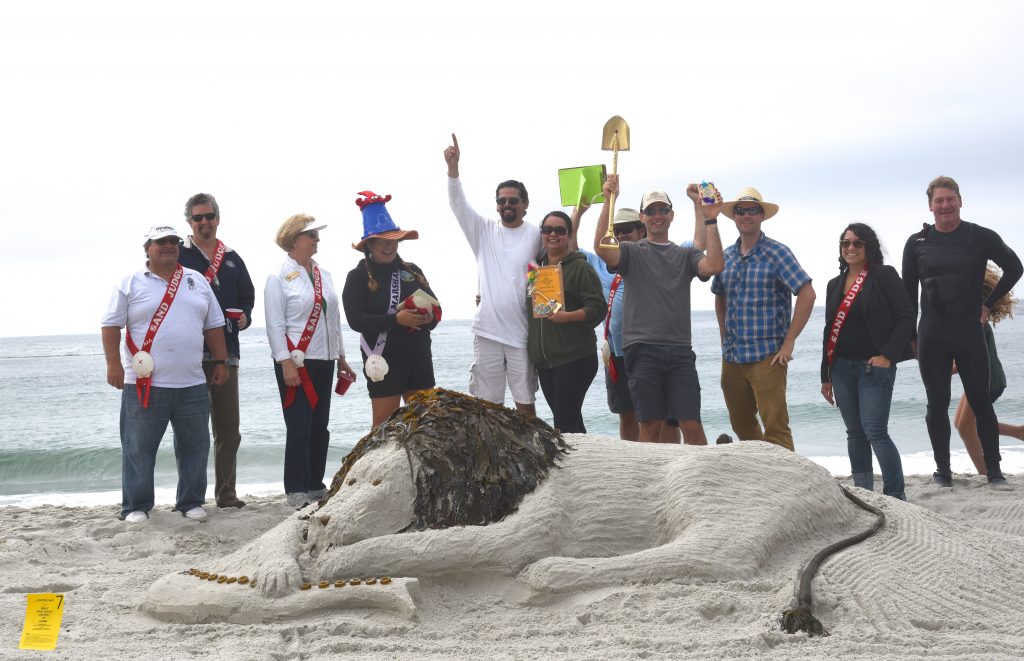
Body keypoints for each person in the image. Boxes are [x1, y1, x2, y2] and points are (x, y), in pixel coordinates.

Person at [101, 224, 228, 523]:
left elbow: (213, 325)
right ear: (147, 247)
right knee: (138, 450)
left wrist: (220, 361)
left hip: (192, 382)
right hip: (144, 383)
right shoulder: (130, 282)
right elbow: (110, 326)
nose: (169, 245)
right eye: (161, 242)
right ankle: (136, 506)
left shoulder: (196, 280)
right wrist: (113, 365)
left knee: (195, 448)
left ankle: (190, 501)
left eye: (173, 241)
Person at [902, 176, 1023, 488]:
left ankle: (995, 473)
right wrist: (910, 337)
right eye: (938, 201)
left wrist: (988, 304)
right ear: (930, 206)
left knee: (981, 401)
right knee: (936, 403)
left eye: (950, 199)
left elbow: (1015, 267)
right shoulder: (916, 243)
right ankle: (943, 472)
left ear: (960, 201)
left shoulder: (979, 236)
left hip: (969, 331)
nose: (945, 205)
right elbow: (907, 293)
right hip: (932, 333)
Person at [594, 175, 725, 443]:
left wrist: (710, 217)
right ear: (642, 218)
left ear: (671, 215)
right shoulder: (631, 251)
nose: (657, 216)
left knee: (691, 423)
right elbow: (601, 248)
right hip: (642, 349)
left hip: (679, 351)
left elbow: (714, 266)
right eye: (651, 211)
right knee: (650, 425)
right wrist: (609, 200)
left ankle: (703, 481)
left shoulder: (685, 255)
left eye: (662, 210)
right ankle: (646, 483)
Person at [712, 187, 815, 451]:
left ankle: (788, 481)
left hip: (768, 356)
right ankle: (761, 473)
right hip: (733, 357)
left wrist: (789, 342)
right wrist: (724, 336)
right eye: (741, 211)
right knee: (741, 425)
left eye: (753, 211)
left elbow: (807, 293)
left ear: (762, 216)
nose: (746, 216)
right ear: (734, 217)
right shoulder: (727, 255)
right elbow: (719, 295)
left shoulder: (777, 253)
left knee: (776, 428)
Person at [444, 133, 541, 416]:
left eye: (513, 200)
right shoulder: (483, 231)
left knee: (526, 406)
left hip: (522, 335)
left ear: (525, 203)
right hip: (487, 332)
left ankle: (530, 455)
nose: (506, 205)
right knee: (487, 408)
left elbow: (546, 270)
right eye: (501, 200)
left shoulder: (536, 233)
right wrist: (453, 169)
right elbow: (457, 204)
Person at [265, 215, 357, 509]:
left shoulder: (324, 274)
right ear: (294, 239)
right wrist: (285, 362)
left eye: (316, 234)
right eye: (311, 235)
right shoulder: (278, 277)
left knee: (321, 426)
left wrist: (341, 356)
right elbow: (275, 324)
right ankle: (296, 489)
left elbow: (334, 319)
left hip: (325, 359)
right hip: (297, 361)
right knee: (300, 426)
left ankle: (316, 485)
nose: (317, 239)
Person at [820, 223, 914, 500]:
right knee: (854, 433)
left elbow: (907, 317)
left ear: (868, 247)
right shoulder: (834, 284)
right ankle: (864, 494)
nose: (850, 248)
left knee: (875, 431)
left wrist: (888, 355)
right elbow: (829, 330)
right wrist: (825, 375)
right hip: (840, 367)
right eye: (845, 243)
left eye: (857, 243)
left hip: (874, 366)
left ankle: (896, 495)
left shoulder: (883, 276)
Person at [177, 192, 255, 509]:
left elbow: (247, 298)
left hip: (228, 353)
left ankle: (226, 493)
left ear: (217, 218)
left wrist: (246, 317)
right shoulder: (178, 255)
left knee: (228, 429)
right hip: (189, 355)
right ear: (190, 222)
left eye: (209, 216)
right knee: (191, 431)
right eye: (198, 218)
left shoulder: (233, 257)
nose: (204, 222)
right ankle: (189, 497)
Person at [343, 191, 440, 430]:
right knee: (383, 427)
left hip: (419, 356)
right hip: (383, 358)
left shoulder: (412, 270)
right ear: (370, 244)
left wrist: (428, 318)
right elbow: (355, 320)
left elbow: (436, 308)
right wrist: (396, 319)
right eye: (383, 241)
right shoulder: (357, 277)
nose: (389, 246)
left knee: (427, 425)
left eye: (393, 240)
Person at [526, 211, 605, 433]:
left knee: (565, 420)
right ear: (541, 234)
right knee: (566, 420)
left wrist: (567, 316)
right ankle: (584, 463)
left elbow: (598, 308)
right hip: (545, 362)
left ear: (569, 235)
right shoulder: (535, 271)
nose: (553, 234)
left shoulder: (580, 267)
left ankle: (579, 465)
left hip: (575, 357)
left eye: (560, 230)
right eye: (547, 230)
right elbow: (526, 305)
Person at [953, 266, 1024, 474]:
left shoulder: (975, 320)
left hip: (988, 380)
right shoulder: (965, 317)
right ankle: (1019, 432)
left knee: (966, 429)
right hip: (978, 378)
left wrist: (940, 368)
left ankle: (985, 474)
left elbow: (969, 360)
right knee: (961, 425)